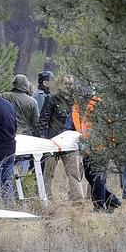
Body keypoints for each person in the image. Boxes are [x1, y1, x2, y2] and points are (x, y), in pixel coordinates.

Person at [68, 95, 121, 212]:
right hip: (88, 146)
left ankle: (100, 207)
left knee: (97, 176)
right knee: (89, 175)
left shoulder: (100, 103)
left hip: (99, 146)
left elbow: (110, 124)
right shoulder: (82, 104)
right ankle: (112, 201)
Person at [38, 75, 84, 204]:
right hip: (53, 142)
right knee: (48, 173)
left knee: (74, 173)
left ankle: (78, 200)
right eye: (66, 84)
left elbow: (81, 122)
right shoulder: (52, 100)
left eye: (70, 84)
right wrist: (43, 140)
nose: (68, 87)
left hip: (70, 142)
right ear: (61, 85)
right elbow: (43, 120)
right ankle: (46, 199)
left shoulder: (77, 101)